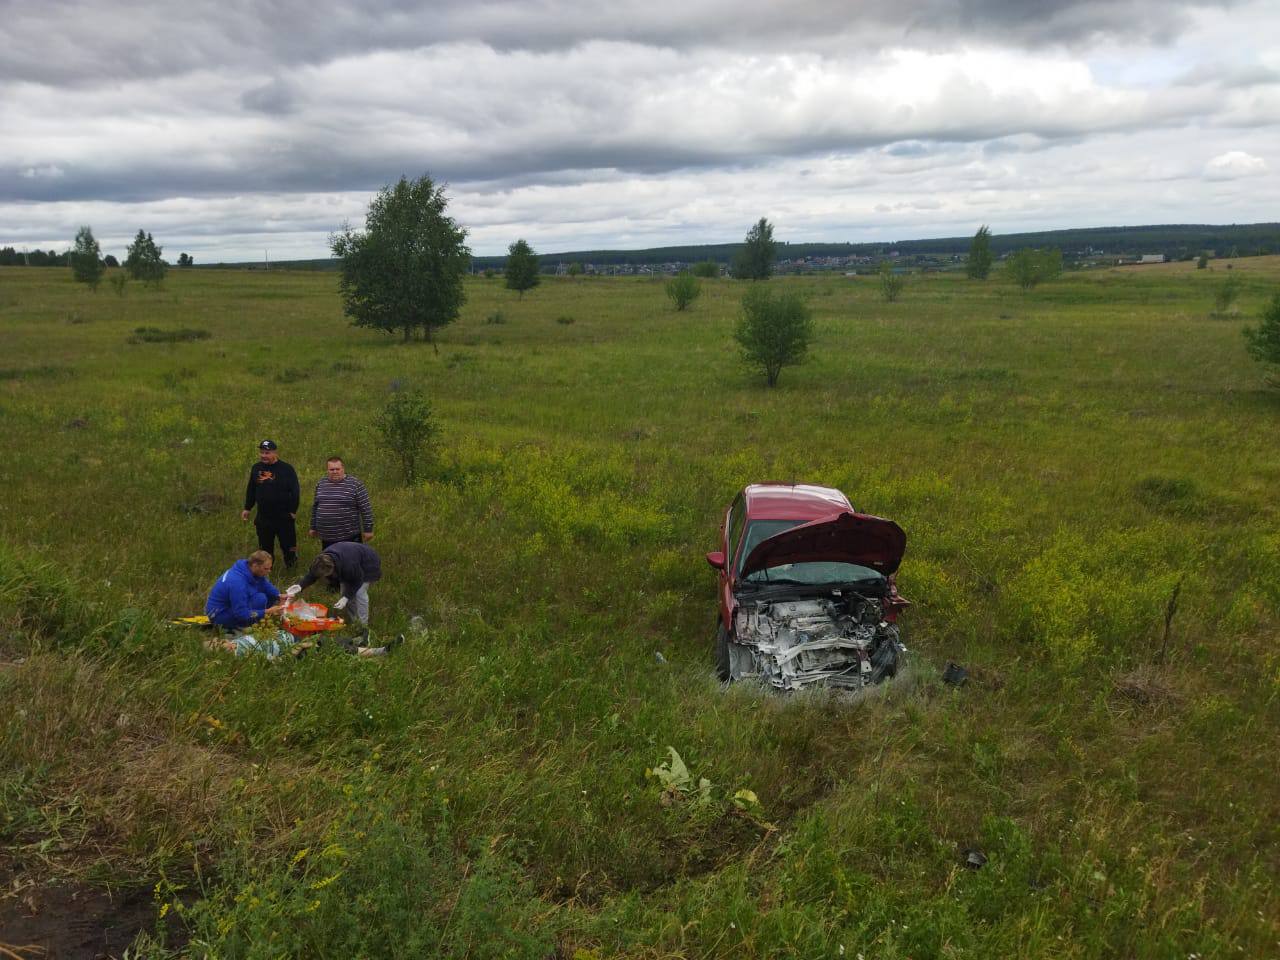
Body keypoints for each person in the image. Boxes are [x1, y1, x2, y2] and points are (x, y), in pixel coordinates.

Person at [287, 541, 381, 628]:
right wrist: (300, 586)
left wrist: (346, 597)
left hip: (368, 562)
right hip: (351, 559)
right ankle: (354, 621)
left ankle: (363, 626)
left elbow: (357, 581)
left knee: (359, 593)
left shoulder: (349, 565)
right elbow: (313, 575)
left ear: (332, 569)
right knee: (346, 593)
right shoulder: (320, 561)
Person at [241, 439, 301, 569]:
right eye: (262, 452)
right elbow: (251, 489)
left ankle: (292, 569)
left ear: (275, 453)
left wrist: (292, 511)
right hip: (264, 517)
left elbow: (295, 491)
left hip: (283, 517)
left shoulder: (286, 469)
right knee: (265, 549)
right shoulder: (256, 468)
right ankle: (267, 572)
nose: (264, 455)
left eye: (267, 453)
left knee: (288, 546)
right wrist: (247, 507)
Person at [205, 549, 286, 629]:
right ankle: (241, 627)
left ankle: (254, 621)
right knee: (260, 599)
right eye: (266, 569)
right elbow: (241, 613)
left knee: (268, 596)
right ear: (255, 566)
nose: (269, 571)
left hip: (230, 607)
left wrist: (278, 595)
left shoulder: (248, 568)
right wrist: (266, 612)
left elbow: (264, 584)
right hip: (219, 615)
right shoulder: (237, 583)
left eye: (270, 568)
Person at [308, 457, 374, 549]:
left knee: (350, 562)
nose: (335, 471)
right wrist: (313, 527)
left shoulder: (355, 484)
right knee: (330, 562)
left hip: (349, 537)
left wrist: (368, 530)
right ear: (327, 470)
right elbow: (315, 506)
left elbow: (366, 508)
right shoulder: (321, 483)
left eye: (337, 469)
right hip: (327, 538)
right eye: (332, 469)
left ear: (343, 469)